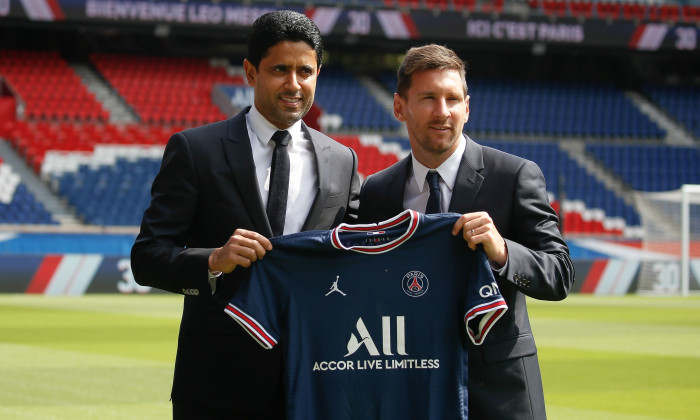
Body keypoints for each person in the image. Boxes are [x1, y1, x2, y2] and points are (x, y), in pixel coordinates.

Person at [130, 10, 360, 419]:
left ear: (318, 73)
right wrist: (213, 261)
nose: (294, 84)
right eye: (279, 70)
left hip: (315, 383)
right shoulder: (195, 150)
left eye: (304, 71)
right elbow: (147, 258)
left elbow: (356, 262)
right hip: (218, 386)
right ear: (251, 73)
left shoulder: (343, 160)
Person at [357, 44, 575, 420]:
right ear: (399, 107)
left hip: (500, 392)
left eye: (453, 99)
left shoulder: (514, 175)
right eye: (428, 98)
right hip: (409, 386)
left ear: (467, 107)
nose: (443, 111)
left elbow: (559, 274)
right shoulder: (377, 191)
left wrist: (503, 251)